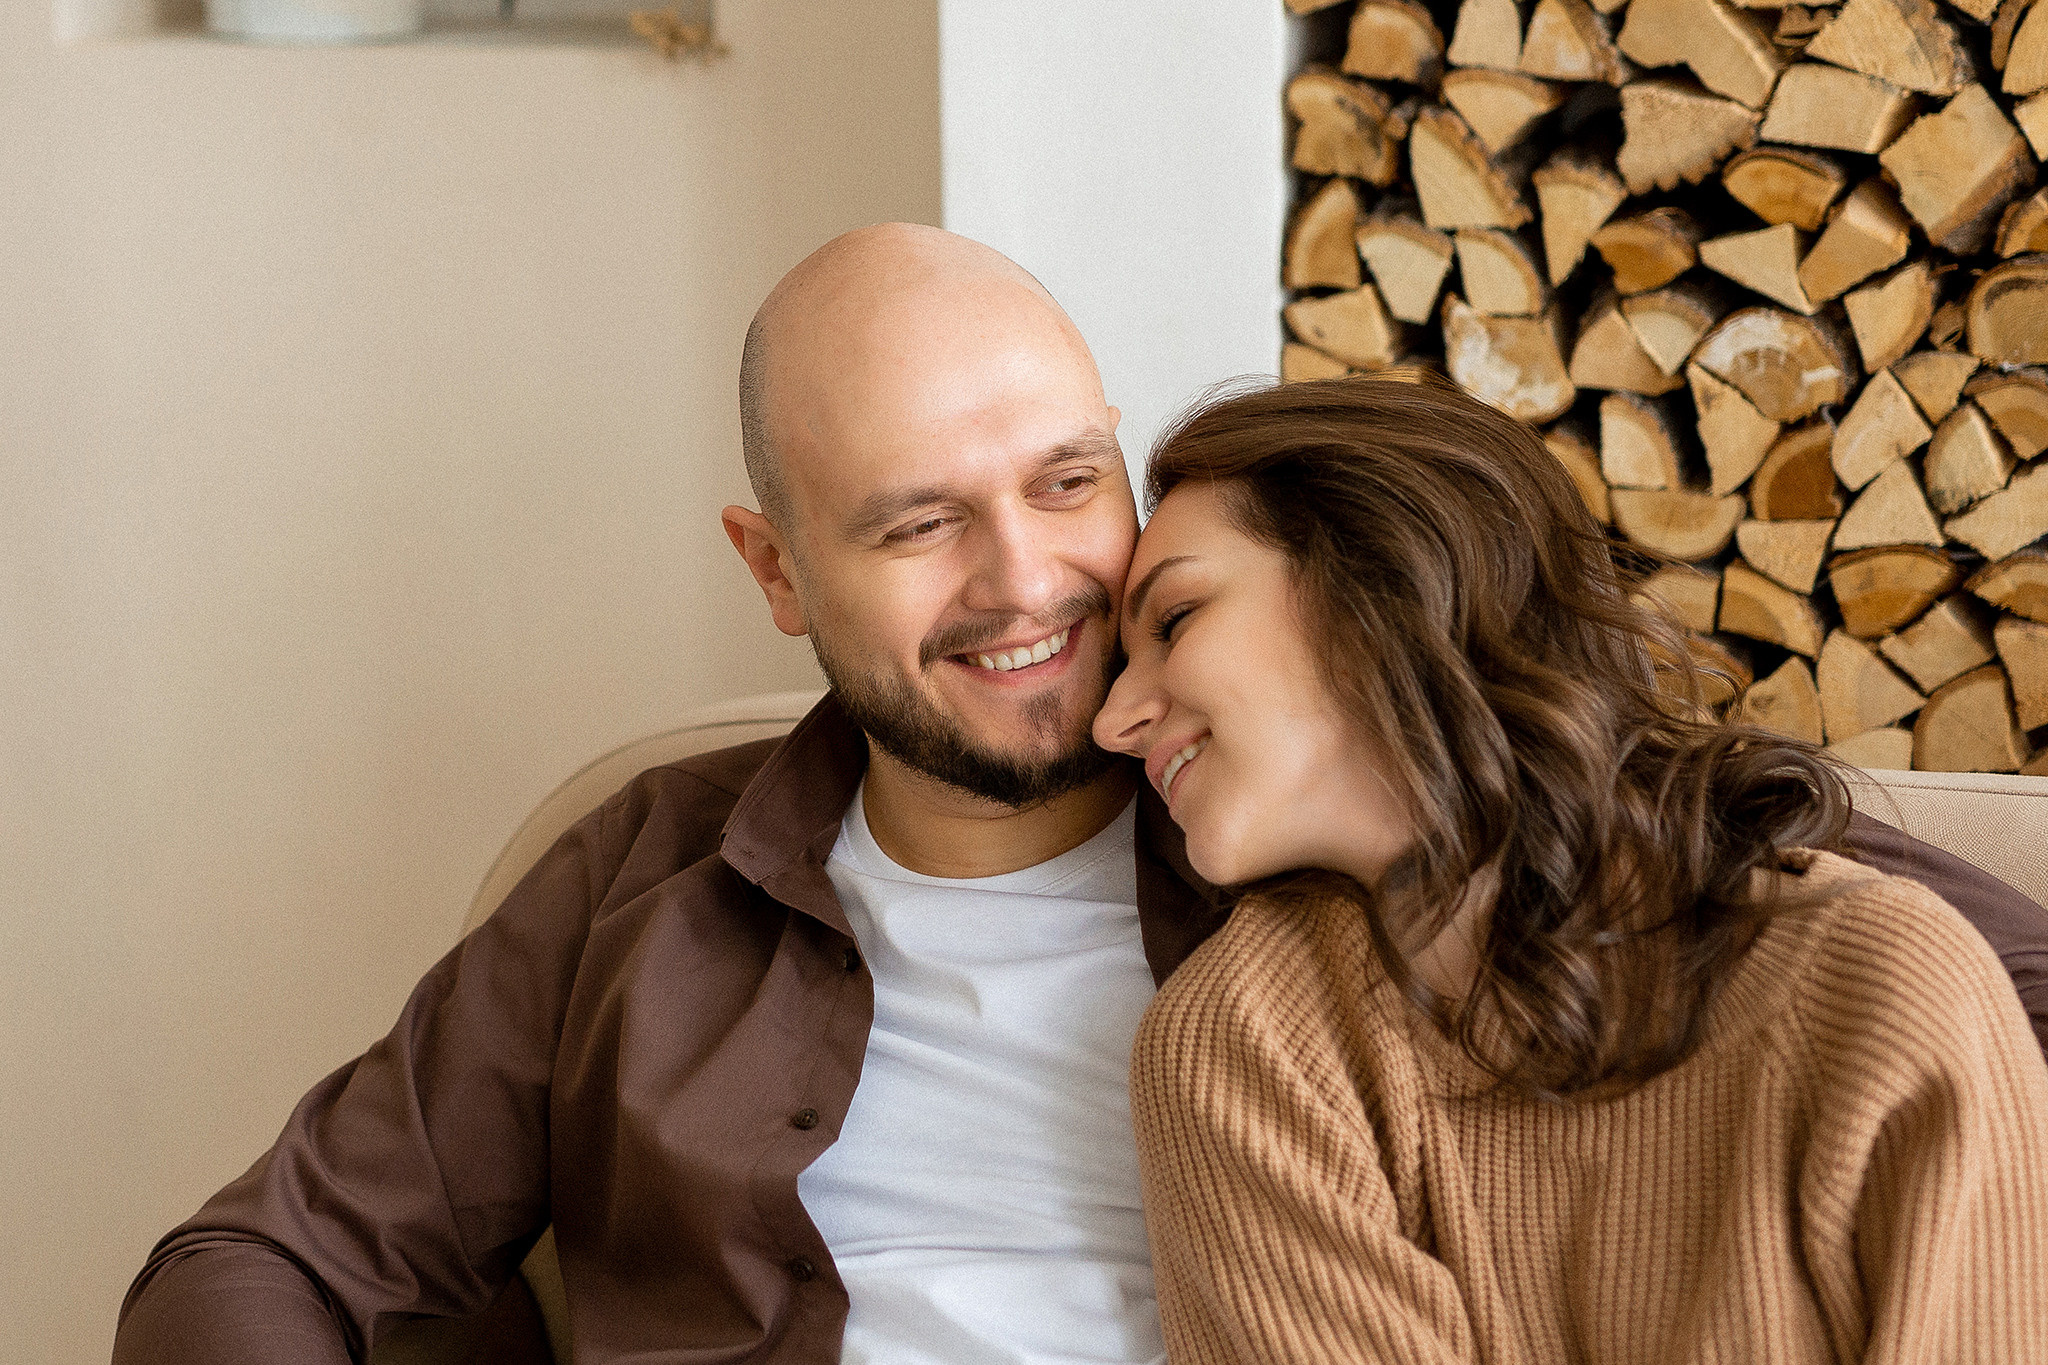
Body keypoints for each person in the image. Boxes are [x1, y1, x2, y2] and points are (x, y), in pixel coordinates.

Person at [115, 227, 2045, 1365]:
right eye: (914, 525)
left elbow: (1873, 966)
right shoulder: (644, 878)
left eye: (1064, 483)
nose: (1028, 582)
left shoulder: (1313, 823)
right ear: (776, 571)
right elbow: (260, 1265)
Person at [1093, 374, 2048, 1364]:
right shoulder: (1242, 1047)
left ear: (1386, 578)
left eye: (1174, 621)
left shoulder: (1882, 981)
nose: (1113, 721)